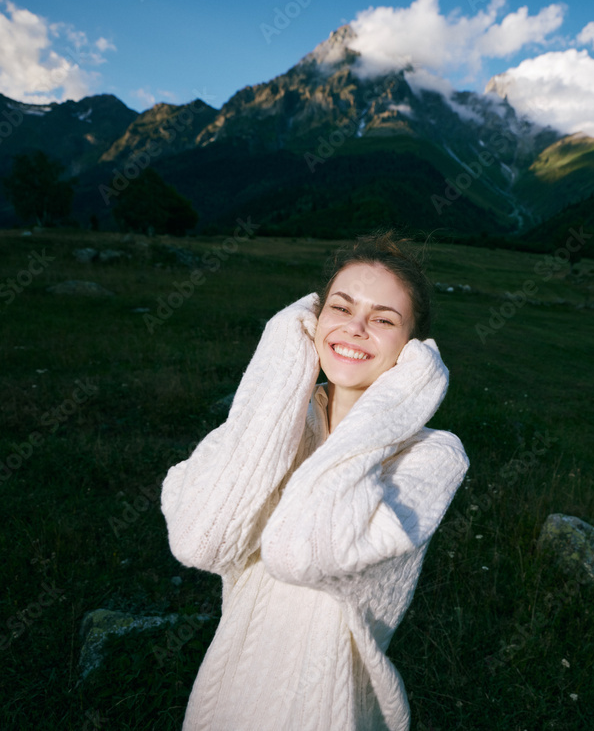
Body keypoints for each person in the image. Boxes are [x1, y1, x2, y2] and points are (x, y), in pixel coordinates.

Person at [161, 232, 469, 730]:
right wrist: (282, 368)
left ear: (413, 353)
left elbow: (298, 551)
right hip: (228, 693)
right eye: (340, 308)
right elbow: (200, 540)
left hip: (330, 708)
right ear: (312, 319)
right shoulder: (279, 420)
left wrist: (398, 400)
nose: (355, 328)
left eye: (383, 320)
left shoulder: (433, 457)